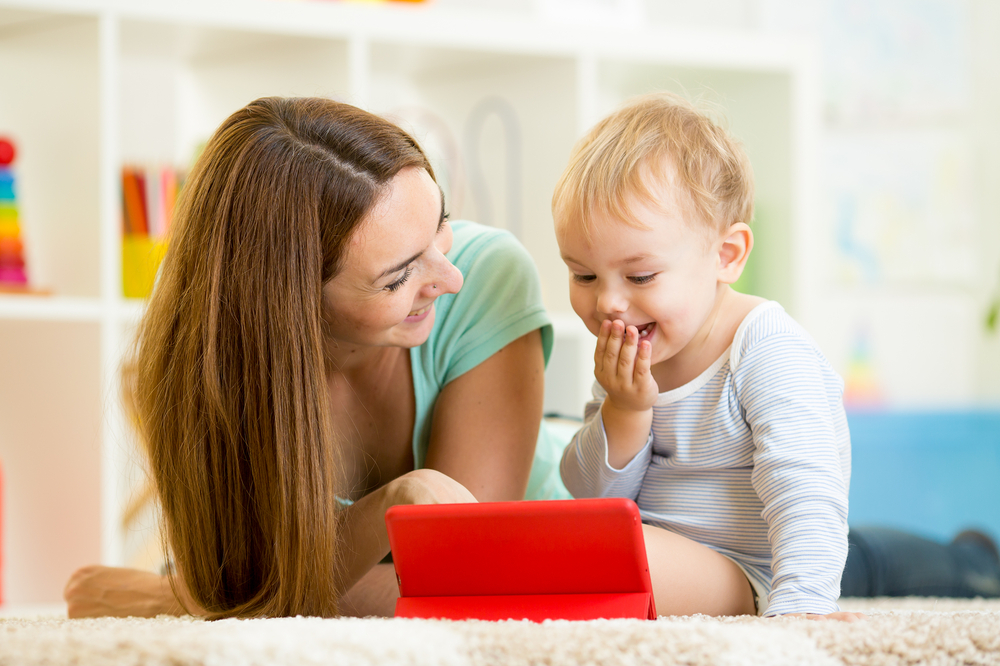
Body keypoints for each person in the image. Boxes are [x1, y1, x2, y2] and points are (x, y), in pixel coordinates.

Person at [64, 96, 571, 619]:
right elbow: (240, 569)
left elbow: (466, 583)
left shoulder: (487, 276)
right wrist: (394, 500)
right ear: (293, 303)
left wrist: (182, 598)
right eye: (398, 277)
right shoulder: (213, 365)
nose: (449, 277)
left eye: (440, 222)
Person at [552, 92, 864, 619]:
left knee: (603, 561)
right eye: (583, 275)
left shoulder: (766, 347)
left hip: (745, 571)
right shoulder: (633, 346)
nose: (607, 302)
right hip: (658, 554)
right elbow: (590, 494)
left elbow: (806, 487)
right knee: (569, 546)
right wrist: (625, 411)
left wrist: (803, 610)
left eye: (640, 275)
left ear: (726, 256)